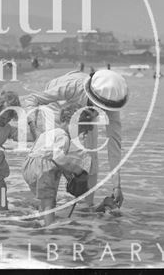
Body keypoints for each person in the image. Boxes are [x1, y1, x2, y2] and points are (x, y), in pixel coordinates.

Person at [23, 69, 128, 210]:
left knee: (89, 155)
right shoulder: (73, 86)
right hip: (57, 105)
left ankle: (86, 204)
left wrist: (117, 186)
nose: (102, 110)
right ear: (90, 95)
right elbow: (32, 99)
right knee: (53, 151)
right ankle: (45, 199)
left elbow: (114, 143)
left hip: (84, 111)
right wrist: (37, 131)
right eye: (98, 105)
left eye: (103, 108)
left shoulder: (111, 103)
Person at [22, 103, 95, 226]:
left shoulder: (51, 132)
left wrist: (69, 176)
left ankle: (41, 218)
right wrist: (77, 170)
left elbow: (45, 154)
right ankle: (49, 227)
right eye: (81, 130)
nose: (81, 134)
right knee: (50, 202)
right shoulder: (63, 136)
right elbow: (58, 158)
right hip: (43, 168)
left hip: (30, 167)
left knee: (45, 199)